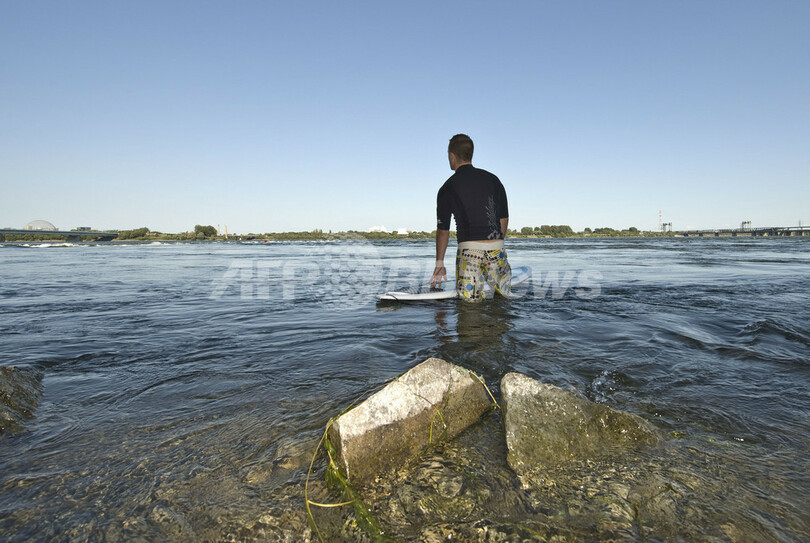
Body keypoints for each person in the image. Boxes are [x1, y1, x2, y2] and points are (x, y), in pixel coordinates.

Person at [430, 134, 511, 301]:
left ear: (452, 156)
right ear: (470, 154)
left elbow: (443, 230)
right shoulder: (494, 180)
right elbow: (503, 219)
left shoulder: (447, 187)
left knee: (469, 308)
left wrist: (439, 263)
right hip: (497, 248)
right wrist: (496, 243)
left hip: (469, 252)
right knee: (503, 301)